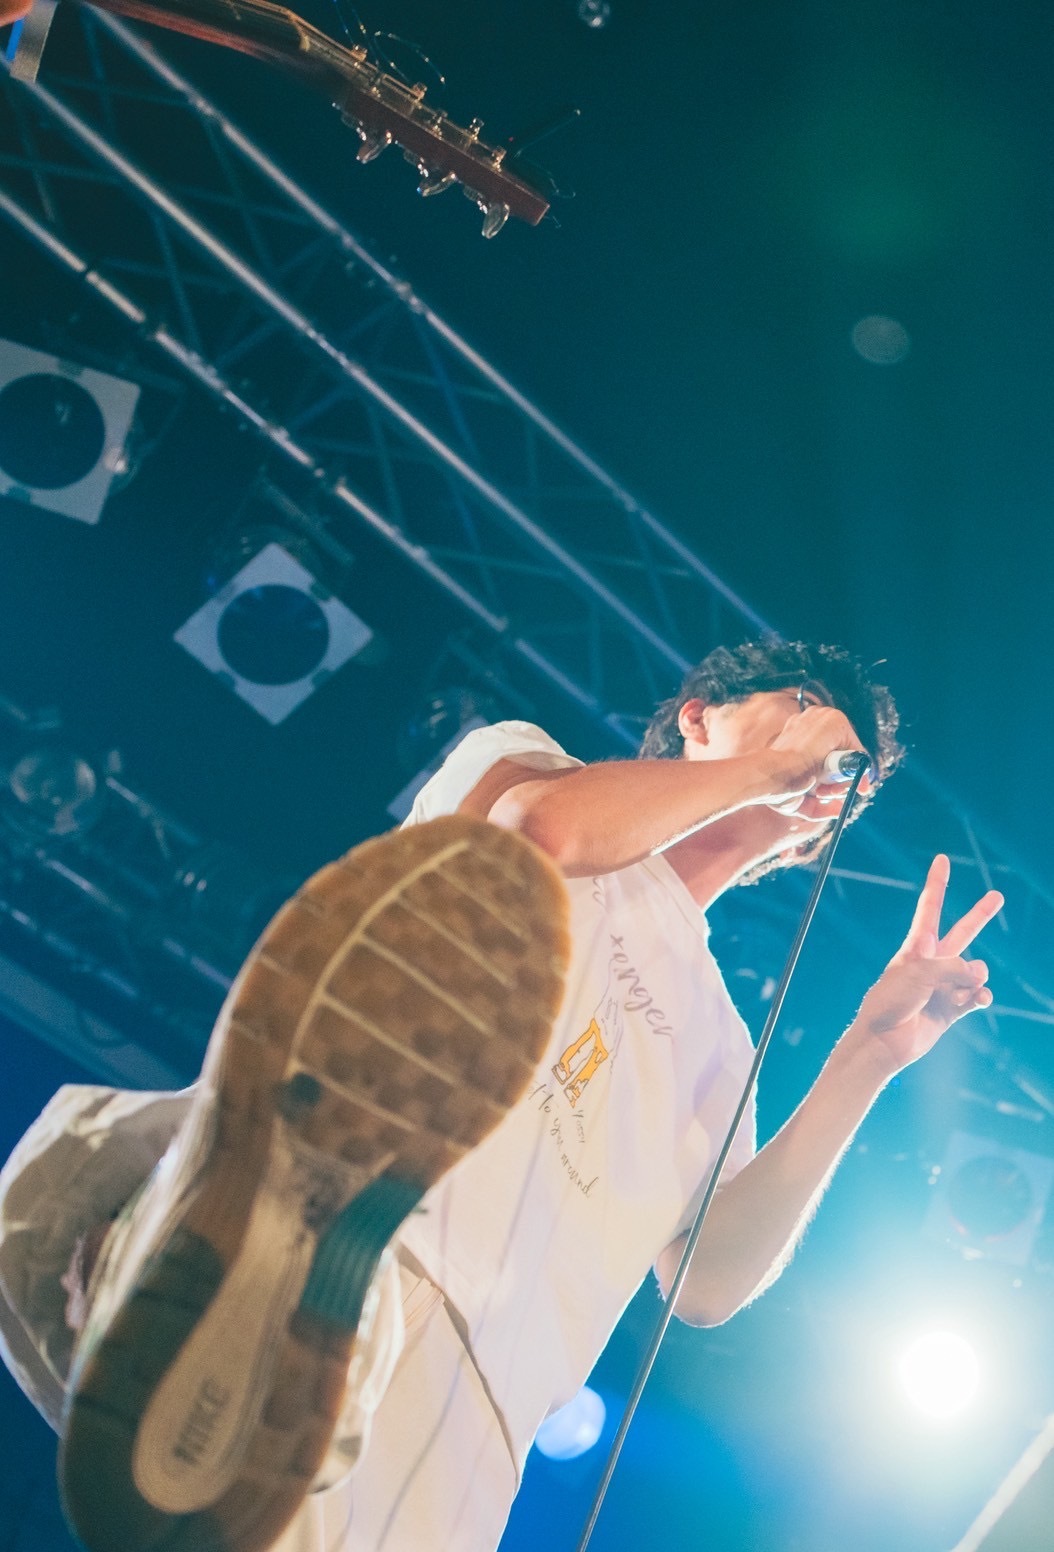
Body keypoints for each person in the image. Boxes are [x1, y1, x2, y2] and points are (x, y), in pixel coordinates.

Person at [0, 639, 1002, 1552]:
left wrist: (867, 1056)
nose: (828, 761)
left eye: (844, 776)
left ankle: (186, 1387)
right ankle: (184, 1276)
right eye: (803, 708)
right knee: (274, 1393)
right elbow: (540, 832)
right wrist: (774, 768)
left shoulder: (724, 1047)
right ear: (698, 715)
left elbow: (707, 1280)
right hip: (357, 1233)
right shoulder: (528, 763)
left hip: (480, 1410)